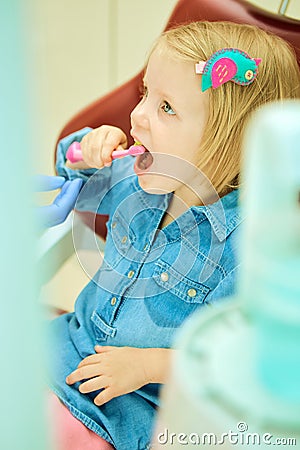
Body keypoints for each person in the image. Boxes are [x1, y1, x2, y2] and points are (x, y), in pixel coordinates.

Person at [47, 21, 300, 450]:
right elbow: (69, 170)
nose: (137, 116)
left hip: (131, 409)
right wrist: (87, 149)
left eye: (166, 108)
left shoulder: (244, 248)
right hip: (63, 349)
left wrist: (147, 366)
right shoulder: (138, 175)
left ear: (227, 142)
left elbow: (238, 358)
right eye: (146, 92)